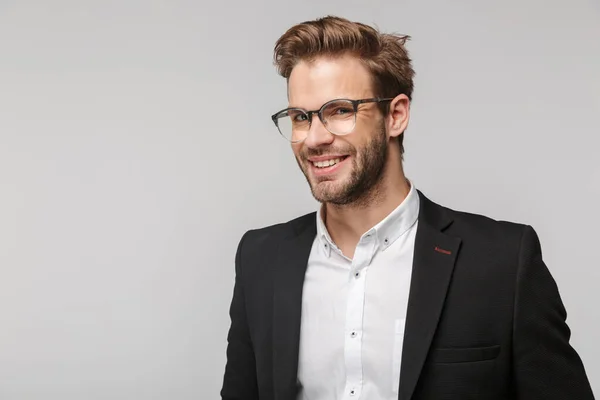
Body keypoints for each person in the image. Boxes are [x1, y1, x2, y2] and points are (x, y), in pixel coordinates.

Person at [220, 15, 594, 400]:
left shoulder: (502, 260)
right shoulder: (260, 258)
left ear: (395, 115)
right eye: (301, 117)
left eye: (340, 110)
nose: (314, 138)